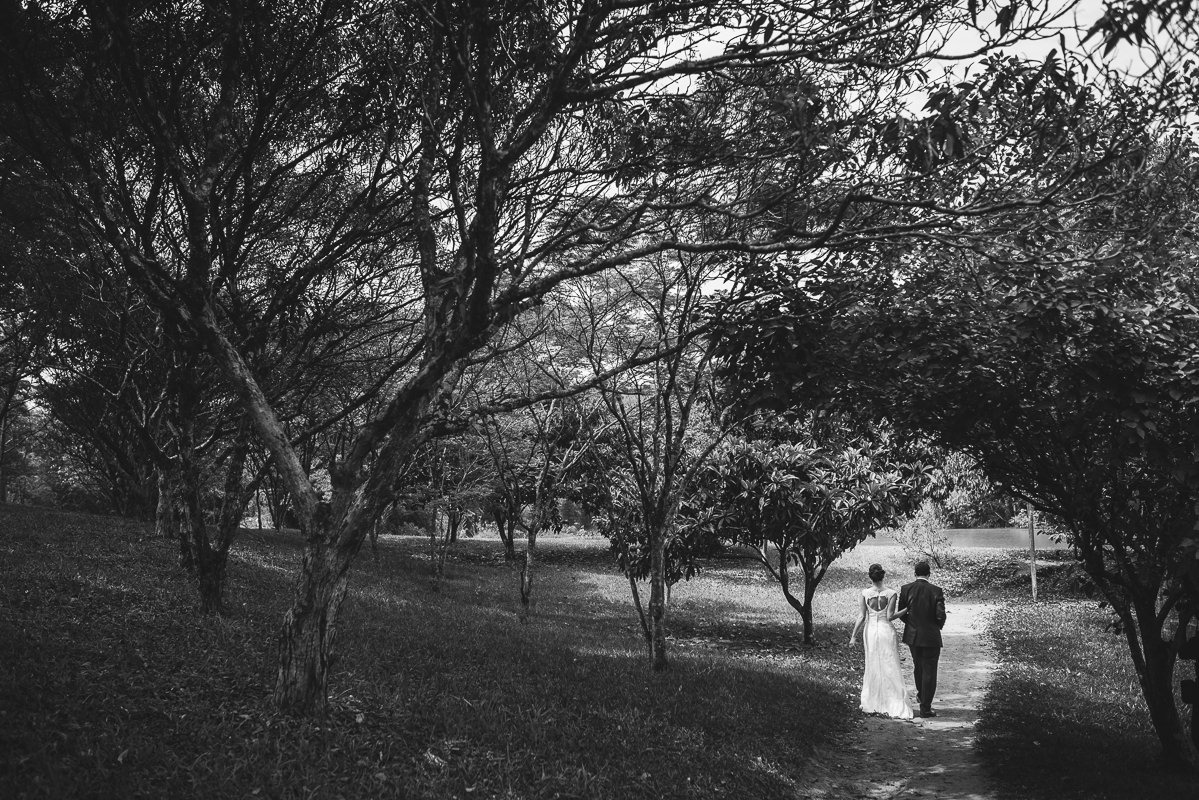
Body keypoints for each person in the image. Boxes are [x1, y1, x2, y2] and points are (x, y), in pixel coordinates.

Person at [848, 563, 913, 720]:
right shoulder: (891, 593)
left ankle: (874, 700)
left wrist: (853, 636)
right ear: (883, 576)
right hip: (886, 630)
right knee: (890, 663)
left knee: (873, 663)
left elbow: (862, 616)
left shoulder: (865, 593)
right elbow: (890, 616)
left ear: (870, 577)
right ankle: (894, 701)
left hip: (870, 631)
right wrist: (907, 610)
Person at [897, 560, 947, 718]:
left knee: (918, 666)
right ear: (929, 574)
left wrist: (912, 625)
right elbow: (940, 615)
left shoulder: (906, 589)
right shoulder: (936, 591)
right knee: (930, 671)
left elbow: (901, 613)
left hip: (913, 636)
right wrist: (936, 626)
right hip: (931, 636)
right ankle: (925, 707)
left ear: (915, 573)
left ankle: (921, 695)